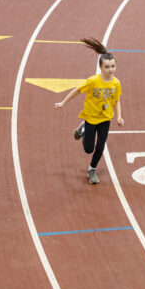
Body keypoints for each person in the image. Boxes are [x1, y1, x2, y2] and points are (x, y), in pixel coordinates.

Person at [53, 38, 124, 185]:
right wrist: (62, 102)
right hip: (90, 118)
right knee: (88, 149)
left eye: (113, 66)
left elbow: (117, 100)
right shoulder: (93, 81)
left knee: (100, 146)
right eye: (107, 67)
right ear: (100, 67)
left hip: (105, 119)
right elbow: (76, 91)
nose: (111, 70)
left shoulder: (116, 83)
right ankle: (83, 128)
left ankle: (92, 169)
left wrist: (119, 117)